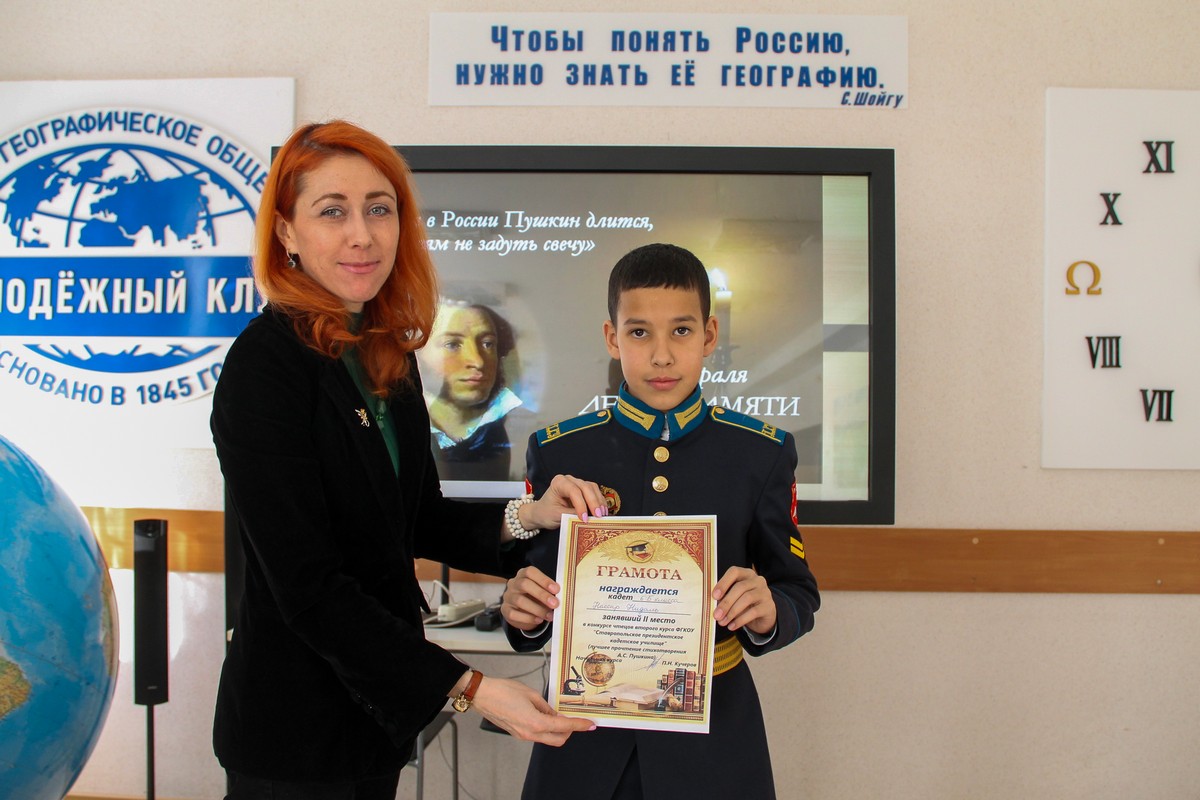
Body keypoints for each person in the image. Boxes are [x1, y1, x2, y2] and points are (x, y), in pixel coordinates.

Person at [210, 120, 598, 800]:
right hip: (295, 734)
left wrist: (531, 515)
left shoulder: (382, 354)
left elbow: (416, 518)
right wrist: (472, 688)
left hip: (371, 727)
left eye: (379, 209)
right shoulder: (264, 368)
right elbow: (308, 587)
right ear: (287, 232)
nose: (363, 235)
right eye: (333, 211)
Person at [500, 243, 821, 800]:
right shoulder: (559, 451)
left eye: (682, 331)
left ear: (710, 336)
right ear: (612, 338)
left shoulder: (759, 454)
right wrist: (525, 614)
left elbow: (798, 590)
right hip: (586, 733)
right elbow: (538, 590)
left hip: (714, 741)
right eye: (639, 333)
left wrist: (769, 611)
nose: (662, 356)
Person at [418, 301, 522, 480]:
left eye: (488, 344)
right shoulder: (403, 426)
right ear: (418, 354)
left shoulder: (512, 428)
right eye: (452, 344)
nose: (478, 361)